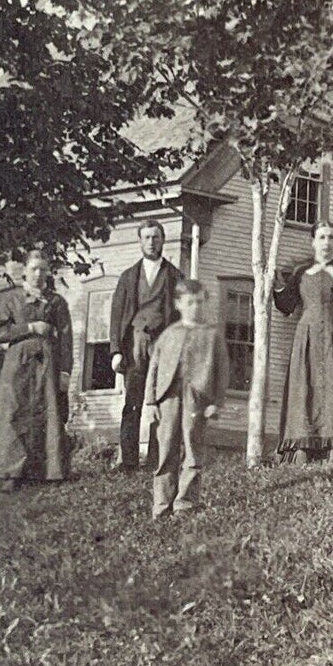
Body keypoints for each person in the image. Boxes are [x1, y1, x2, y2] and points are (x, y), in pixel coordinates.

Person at [274, 220, 333, 463]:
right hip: (308, 338)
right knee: (306, 388)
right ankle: (303, 449)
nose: (326, 242)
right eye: (322, 237)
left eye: (331, 237)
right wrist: (275, 283)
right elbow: (287, 305)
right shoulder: (301, 273)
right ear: (313, 241)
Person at [0, 249, 74, 491]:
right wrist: (31, 327)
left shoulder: (56, 302)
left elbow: (66, 339)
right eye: (33, 268)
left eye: (43, 269)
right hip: (17, 364)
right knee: (14, 411)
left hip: (47, 364)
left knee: (46, 411)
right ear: (24, 270)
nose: (38, 274)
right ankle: (8, 473)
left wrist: (65, 372)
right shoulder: (11, 299)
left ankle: (46, 471)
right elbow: (1, 333)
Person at [144, 278, 229, 517]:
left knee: (192, 449)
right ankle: (161, 506)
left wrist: (216, 402)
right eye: (189, 302)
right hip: (168, 396)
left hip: (197, 399)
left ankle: (185, 504)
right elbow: (154, 368)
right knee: (166, 450)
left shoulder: (212, 335)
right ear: (179, 304)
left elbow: (222, 372)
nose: (195, 307)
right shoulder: (169, 335)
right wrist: (151, 402)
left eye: (199, 302)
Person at [109, 220, 179, 472]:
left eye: (156, 237)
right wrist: (116, 350)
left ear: (163, 240)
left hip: (163, 346)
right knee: (133, 402)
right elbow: (117, 316)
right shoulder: (129, 277)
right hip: (135, 345)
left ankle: (156, 460)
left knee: (161, 402)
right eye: (147, 237)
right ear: (140, 241)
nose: (151, 242)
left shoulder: (174, 276)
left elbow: (181, 316)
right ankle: (127, 461)